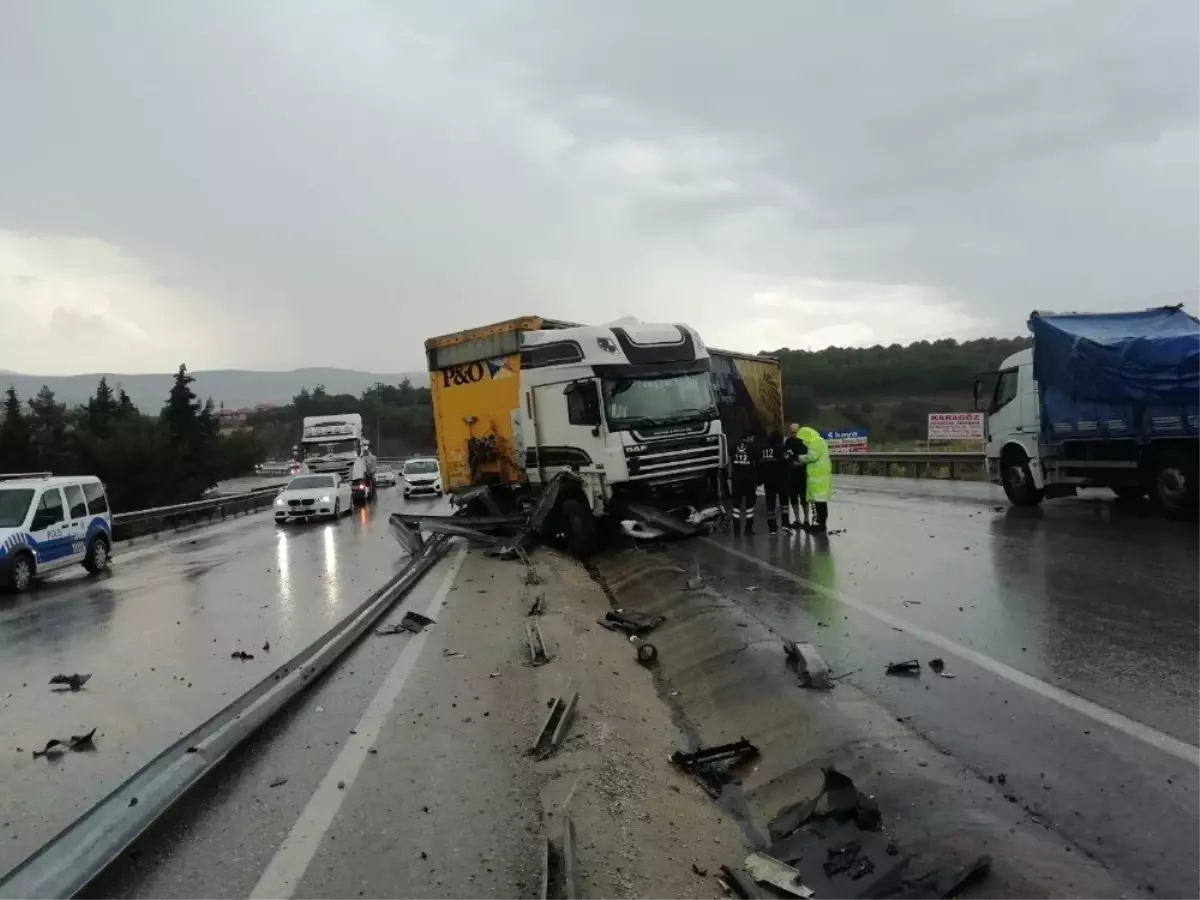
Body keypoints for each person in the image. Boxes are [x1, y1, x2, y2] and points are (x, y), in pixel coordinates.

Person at [795, 426, 832, 532]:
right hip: (822, 476)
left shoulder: (814, 443)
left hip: (817, 477)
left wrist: (799, 457)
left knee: (818, 503)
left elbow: (812, 457)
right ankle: (822, 524)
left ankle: (819, 525)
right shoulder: (821, 441)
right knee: (822, 503)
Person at [759, 429, 789, 534]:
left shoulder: (763, 450)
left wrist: (760, 479)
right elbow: (787, 463)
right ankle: (785, 524)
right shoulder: (781, 448)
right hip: (781, 479)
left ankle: (772, 528)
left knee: (770, 504)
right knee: (784, 503)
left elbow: (759, 465)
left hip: (768, 481)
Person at [728, 429, 758, 535]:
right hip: (748, 480)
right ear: (749, 437)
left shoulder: (733, 446)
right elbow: (756, 464)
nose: (753, 440)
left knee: (736, 505)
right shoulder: (752, 448)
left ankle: (736, 530)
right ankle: (748, 529)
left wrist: (729, 477)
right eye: (753, 438)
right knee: (749, 505)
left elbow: (729, 461)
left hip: (736, 480)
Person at [782, 423, 810, 530]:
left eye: (795, 432)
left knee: (804, 499)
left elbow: (806, 458)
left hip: (801, 474)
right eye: (792, 432)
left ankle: (806, 519)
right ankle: (797, 519)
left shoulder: (803, 442)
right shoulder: (788, 442)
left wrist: (797, 464)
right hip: (791, 475)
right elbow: (785, 455)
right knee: (793, 498)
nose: (793, 434)